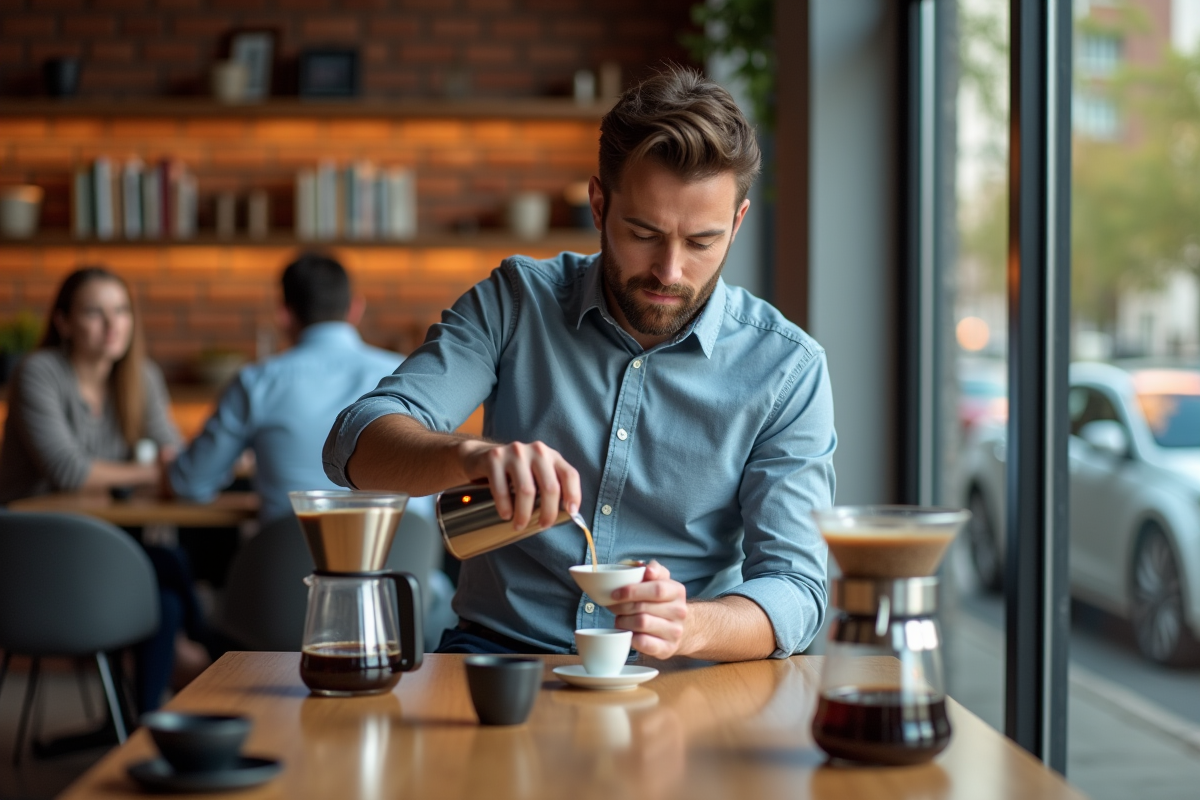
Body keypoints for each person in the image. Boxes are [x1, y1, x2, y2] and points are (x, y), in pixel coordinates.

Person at [323, 66, 836, 661]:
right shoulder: (517, 302)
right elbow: (354, 442)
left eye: (701, 242)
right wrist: (469, 456)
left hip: (677, 672)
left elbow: (798, 589)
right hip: (501, 657)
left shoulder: (786, 368)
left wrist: (692, 626)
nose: (669, 271)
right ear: (598, 204)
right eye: (643, 233)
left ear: (737, 223)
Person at [0, 265, 207, 710]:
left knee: (167, 597)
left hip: (102, 545)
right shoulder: (38, 372)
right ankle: (208, 649)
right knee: (168, 566)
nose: (113, 325)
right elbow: (69, 471)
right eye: (95, 312)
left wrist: (164, 464)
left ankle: (143, 724)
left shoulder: (140, 376)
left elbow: (171, 450)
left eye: (121, 311)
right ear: (63, 322)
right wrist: (148, 472)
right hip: (34, 559)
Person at [168, 252, 404, 525]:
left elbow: (190, 484)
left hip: (293, 553)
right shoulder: (406, 374)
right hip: (401, 552)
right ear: (355, 308)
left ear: (284, 314)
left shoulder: (256, 383)